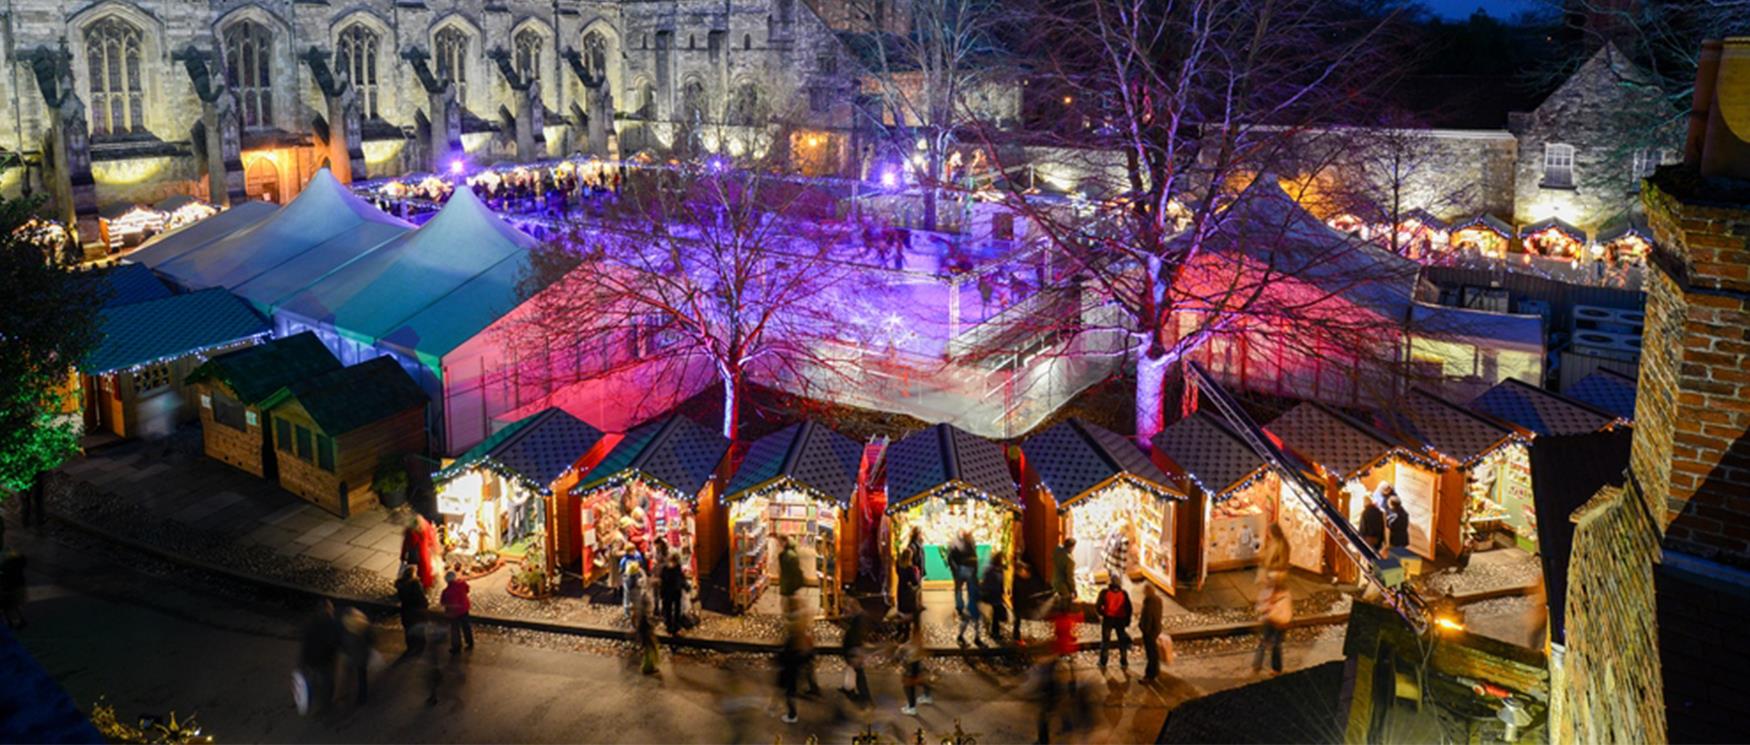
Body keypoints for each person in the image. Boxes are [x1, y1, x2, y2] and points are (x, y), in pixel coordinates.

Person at [297, 601, 341, 715]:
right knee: (327, 682)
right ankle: (326, 704)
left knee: (314, 680)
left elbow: (305, 641)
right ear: (329, 609)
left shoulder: (310, 622)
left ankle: (314, 700)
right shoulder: (331, 623)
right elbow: (334, 642)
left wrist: (302, 660)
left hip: (311, 659)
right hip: (325, 660)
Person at [1252, 581, 1292, 675]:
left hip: (1277, 622)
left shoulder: (1282, 596)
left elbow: (1261, 607)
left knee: (1272, 644)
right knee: (1271, 644)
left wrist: (1267, 609)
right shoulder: (1282, 595)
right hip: (1273, 621)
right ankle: (1261, 666)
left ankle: (1262, 666)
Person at [775, 616, 810, 724]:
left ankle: (792, 715)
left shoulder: (792, 640)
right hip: (795, 670)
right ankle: (785, 710)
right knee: (789, 692)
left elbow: (786, 655)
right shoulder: (803, 639)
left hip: (789, 671)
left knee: (788, 693)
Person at [339, 606, 375, 705]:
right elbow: (371, 639)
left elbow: (342, 640)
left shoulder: (345, 624)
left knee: (347, 674)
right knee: (362, 676)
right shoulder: (364, 625)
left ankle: (346, 693)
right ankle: (362, 697)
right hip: (362, 656)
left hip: (349, 655)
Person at [840, 595, 872, 705]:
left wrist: (857, 650)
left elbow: (857, 634)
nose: (848, 608)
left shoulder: (860, 618)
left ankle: (865, 697)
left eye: (850, 606)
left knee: (859, 673)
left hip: (854, 648)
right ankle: (848, 688)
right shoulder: (859, 616)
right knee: (853, 670)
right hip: (854, 648)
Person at [1095, 577, 1132, 673]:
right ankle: (1124, 661)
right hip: (1120, 619)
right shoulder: (1124, 593)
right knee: (1122, 641)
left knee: (1106, 641)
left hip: (1108, 619)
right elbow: (1129, 608)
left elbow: (1098, 606)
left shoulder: (1104, 593)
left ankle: (1103, 661)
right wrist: (1127, 620)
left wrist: (1103, 613)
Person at [899, 621, 933, 716]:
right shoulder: (918, 635)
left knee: (908, 684)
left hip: (912, 662)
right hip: (916, 661)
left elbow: (910, 647)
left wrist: (903, 648)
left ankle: (911, 707)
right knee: (918, 679)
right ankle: (926, 696)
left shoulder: (915, 636)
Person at [395, 565, 428, 655]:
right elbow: (421, 598)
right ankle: (420, 646)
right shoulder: (415, 584)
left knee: (408, 629)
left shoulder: (401, 585)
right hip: (417, 610)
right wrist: (425, 605)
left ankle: (410, 646)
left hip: (406, 610)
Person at [441, 571, 474, 654]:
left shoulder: (446, 592)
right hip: (464, 609)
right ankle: (470, 642)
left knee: (455, 630)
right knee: (466, 626)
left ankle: (456, 646)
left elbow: (443, 602)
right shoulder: (462, 584)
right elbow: (467, 589)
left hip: (453, 613)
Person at [980, 552, 1009, 643]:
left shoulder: (997, 569)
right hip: (993, 595)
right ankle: (994, 632)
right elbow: (991, 583)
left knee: (996, 613)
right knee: (997, 613)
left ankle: (993, 630)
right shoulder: (992, 570)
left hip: (995, 595)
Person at [1139, 583, 1165, 682]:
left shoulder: (1148, 602)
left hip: (1149, 632)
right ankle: (1156, 670)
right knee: (1154, 652)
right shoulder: (1158, 600)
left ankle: (1149, 675)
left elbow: (1147, 618)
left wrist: (1143, 628)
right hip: (1156, 629)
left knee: (1151, 654)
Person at [659, 553, 688, 635]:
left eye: (672, 562)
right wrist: (662, 592)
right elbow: (663, 582)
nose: (671, 564)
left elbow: (681, 578)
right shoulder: (665, 569)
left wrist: (685, 586)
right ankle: (669, 624)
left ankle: (676, 624)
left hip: (676, 591)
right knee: (668, 608)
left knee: (677, 608)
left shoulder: (677, 568)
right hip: (668, 592)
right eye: (670, 562)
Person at [895, 550, 921, 640]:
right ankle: (906, 633)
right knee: (908, 611)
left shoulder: (899, 565)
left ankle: (899, 630)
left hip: (900, 589)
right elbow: (915, 582)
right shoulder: (910, 569)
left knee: (901, 609)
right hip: (908, 591)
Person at [777, 536, 804, 617]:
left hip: (789, 584)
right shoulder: (789, 554)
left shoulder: (787, 555)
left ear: (785, 542)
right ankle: (791, 619)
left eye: (780, 542)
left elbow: (792, 571)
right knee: (789, 602)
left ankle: (792, 621)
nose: (779, 544)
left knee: (788, 603)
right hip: (789, 583)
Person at [0, 551, 26, 629]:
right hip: (16, 588)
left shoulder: (7, 566)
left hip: (8, 589)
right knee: (13, 606)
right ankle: (20, 620)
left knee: (6, 607)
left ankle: (11, 622)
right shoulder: (18, 567)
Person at [1052, 538, 1077, 602]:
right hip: (1062, 583)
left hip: (1054, 579)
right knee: (1067, 599)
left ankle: (1056, 599)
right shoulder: (1070, 561)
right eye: (1073, 547)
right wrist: (1073, 589)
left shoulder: (1057, 549)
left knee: (1057, 594)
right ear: (1071, 547)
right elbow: (1070, 578)